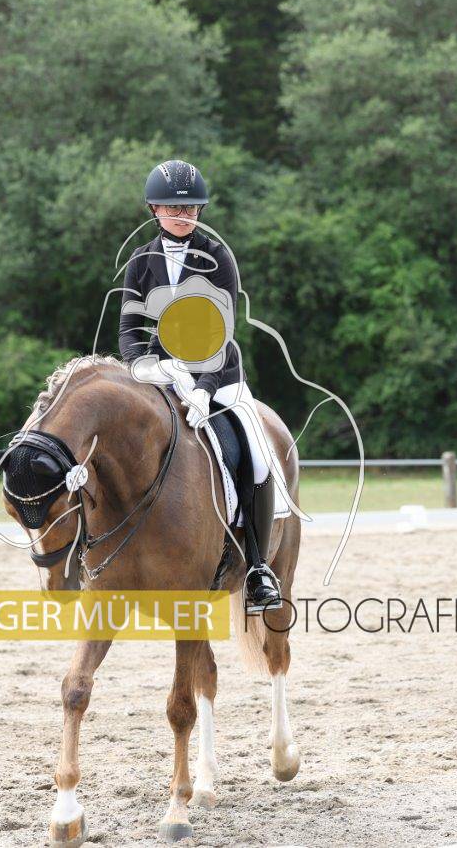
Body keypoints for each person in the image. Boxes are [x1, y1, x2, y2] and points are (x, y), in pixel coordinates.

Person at [118, 159, 281, 613]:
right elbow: (129, 330)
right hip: (162, 374)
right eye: (173, 207)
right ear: (154, 209)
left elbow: (221, 332)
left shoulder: (218, 256)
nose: (182, 215)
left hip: (219, 376)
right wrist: (143, 367)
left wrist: (205, 388)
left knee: (257, 455)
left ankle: (257, 568)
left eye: (190, 208)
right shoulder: (140, 260)